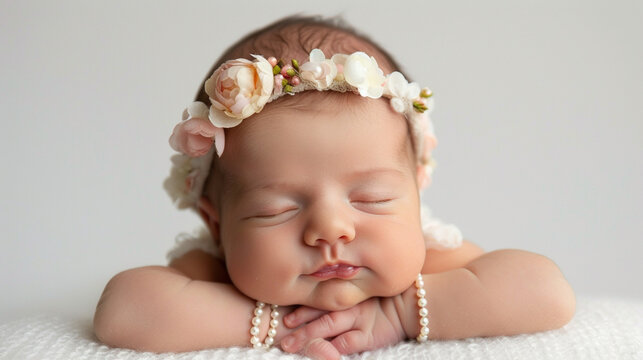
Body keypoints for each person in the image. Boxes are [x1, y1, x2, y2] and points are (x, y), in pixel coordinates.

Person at [93, 15, 575, 360]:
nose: (330, 230)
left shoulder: (430, 258)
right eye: (276, 209)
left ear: (417, 196)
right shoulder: (215, 267)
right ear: (215, 224)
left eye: (372, 199)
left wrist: (402, 313)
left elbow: (545, 292)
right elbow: (125, 310)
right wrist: (272, 322)